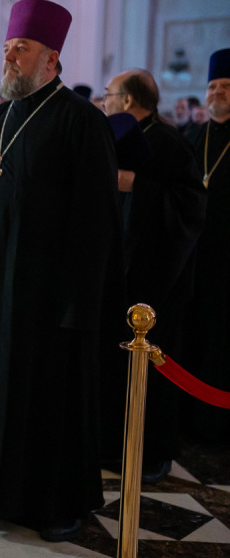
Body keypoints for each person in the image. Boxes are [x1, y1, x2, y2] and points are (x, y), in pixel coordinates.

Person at [0, 0, 124, 542]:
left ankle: (51, 505)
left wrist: (78, 304)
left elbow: (96, 222)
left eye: (22, 48)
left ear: (51, 59)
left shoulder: (82, 122)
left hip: (45, 299)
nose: (10, 57)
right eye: (7, 48)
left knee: (44, 403)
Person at [100, 70, 205, 480]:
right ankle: (114, 444)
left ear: (128, 100)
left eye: (110, 94)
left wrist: (137, 185)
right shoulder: (124, 136)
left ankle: (154, 452)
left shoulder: (167, 141)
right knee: (117, 366)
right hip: (122, 272)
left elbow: (190, 206)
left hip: (159, 278)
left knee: (154, 370)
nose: (105, 101)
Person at [182, 48, 230, 442]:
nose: (217, 92)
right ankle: (190, 420)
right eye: (213, 86)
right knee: (193, 336)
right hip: (194, 256)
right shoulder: (193, 137)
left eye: (226, 86)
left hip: (227, 260)